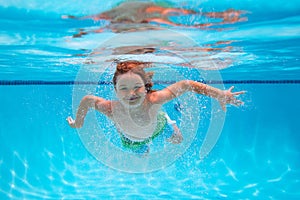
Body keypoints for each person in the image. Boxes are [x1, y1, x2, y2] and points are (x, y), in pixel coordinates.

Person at [67, 61, 245, 151]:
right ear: (115, 90)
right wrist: (78, 122)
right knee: (142, 153)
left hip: (157, 125)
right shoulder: (109, 108)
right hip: (130, 140)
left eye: (137, 87)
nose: (131, 94)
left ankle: (168, 118)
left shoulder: (154, 99)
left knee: (178, 139)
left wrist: (220, 94)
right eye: (124, 88)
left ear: (146, 87)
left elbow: (186, 84)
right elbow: (87, 100)